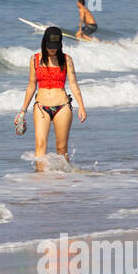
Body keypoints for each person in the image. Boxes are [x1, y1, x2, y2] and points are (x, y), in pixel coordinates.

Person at [16, 27, 87, 172]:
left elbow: (73, 84)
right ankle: (41, 178)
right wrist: (22, 111)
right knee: (40, 146)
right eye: (49, 46)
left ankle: (64, 181)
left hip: (63, 106)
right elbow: (31, 86)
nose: (52, 50)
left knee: (61, 148)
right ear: (44, 43)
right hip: (41, 107)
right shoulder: (35, 59)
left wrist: (81, 106)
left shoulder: (66, 60)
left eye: (55, 47)